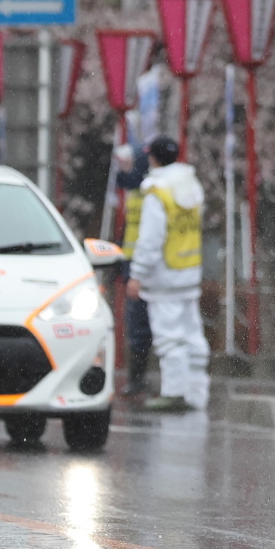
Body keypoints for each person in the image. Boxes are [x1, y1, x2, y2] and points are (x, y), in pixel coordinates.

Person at [128, 136, 208, 412]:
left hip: (164, 275)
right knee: (193, 335)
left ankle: (174, 392)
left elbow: (150, 240)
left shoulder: (157, 191)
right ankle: (197, 393)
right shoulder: (190, 185)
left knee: (168, 337)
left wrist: (137, 274)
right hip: (189, 272)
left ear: (153, 158)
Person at [114, 144, 154, 394]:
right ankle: (139, 378)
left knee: (139, 323)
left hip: (141, 267)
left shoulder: (144, 193)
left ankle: (138, 379)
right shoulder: (141, 191)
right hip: (138, 265)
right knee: (141, 323)